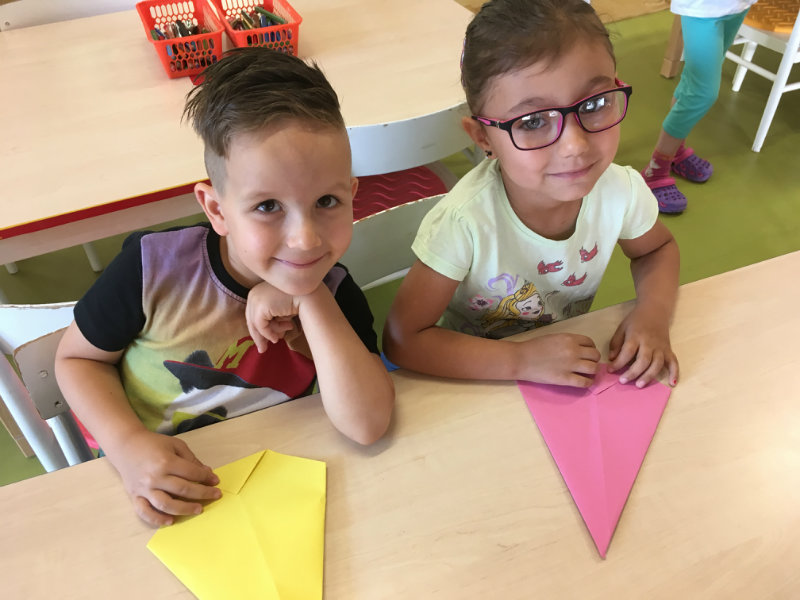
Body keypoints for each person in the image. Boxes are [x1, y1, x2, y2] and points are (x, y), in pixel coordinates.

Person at [55, 48, 394, 527]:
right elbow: (76, 360)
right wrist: (128, 446)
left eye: (326, 201)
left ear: (352, 195)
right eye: (268, 207)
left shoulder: (333, 289)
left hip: (274, 483)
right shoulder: (152, 267)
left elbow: (367, 425)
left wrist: (309, 295)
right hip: (154, 479)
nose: (305, 239)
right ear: (216, 209)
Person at [383, 0, 680, 391]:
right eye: (533, 121)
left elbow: (657, 250)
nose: (575, 145)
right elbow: (402, 339)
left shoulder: (620, 191)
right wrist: (519, 360)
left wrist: (654, 314)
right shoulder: (464, 222)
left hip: (558, 372)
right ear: (483, 138)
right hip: (474, 377)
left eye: (594, 104)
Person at [642, 0, 758, 213]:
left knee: (692, 82)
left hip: (737, 6)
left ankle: (675, 151)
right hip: (703, 8)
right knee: (701, 93)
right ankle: (655, 170)